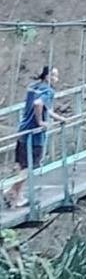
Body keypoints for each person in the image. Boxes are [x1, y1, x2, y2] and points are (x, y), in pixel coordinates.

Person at [4, 66, 66, 207]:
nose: (57, 79)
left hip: (23, 130)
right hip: (34, 134)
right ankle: (12, 191)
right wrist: (40, 122)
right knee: (30, 166)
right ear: (47, 76)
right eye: (54, 75)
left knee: (22, 164)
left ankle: (18, 195)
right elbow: (38, 104)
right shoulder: (48, 91)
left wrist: (60, 118)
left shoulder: (33, 87)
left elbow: (46, 108)